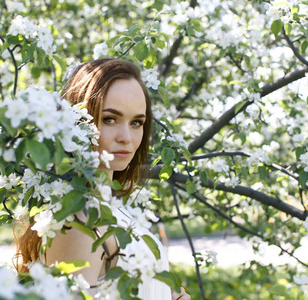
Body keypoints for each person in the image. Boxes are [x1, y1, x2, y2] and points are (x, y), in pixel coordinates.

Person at [15, 58, 190, 300]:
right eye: (110, 119)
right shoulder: (78, 223)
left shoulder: (108, 206)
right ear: (78, 122)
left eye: (136, 122)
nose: (126, 137)